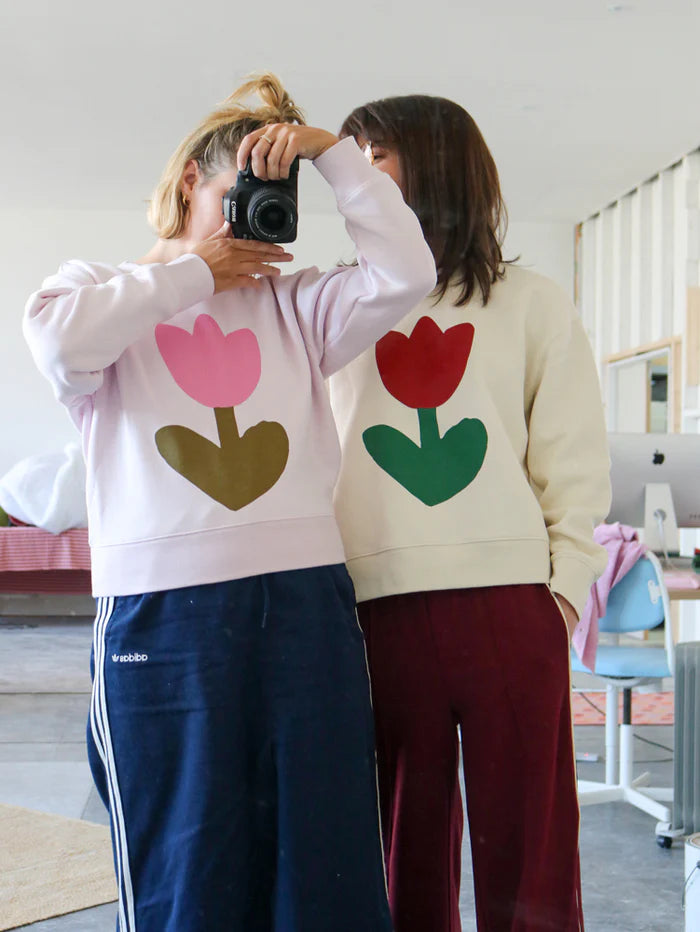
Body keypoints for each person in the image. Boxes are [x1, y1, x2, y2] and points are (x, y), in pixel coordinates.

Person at [23, 74, 436, 932]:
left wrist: (331, 156)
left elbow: (406, 272)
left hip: (304, 604)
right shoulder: (95, 290)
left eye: (276, 200)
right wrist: (193, 274)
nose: (259, 219)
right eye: (240, 194)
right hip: (159, 615)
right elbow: (62, 347)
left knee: (327, 862)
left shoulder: (297, 304)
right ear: (188, 187)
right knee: (184, 862)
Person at [328, 94, 612, 932]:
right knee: (400, 848)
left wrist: (562, 592)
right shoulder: (340, 302)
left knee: (532, 848)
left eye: (376, 153)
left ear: (434, 163)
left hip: (510, 603)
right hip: (374, 608)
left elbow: (572, 461)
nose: (359, 171)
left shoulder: (532, 302)